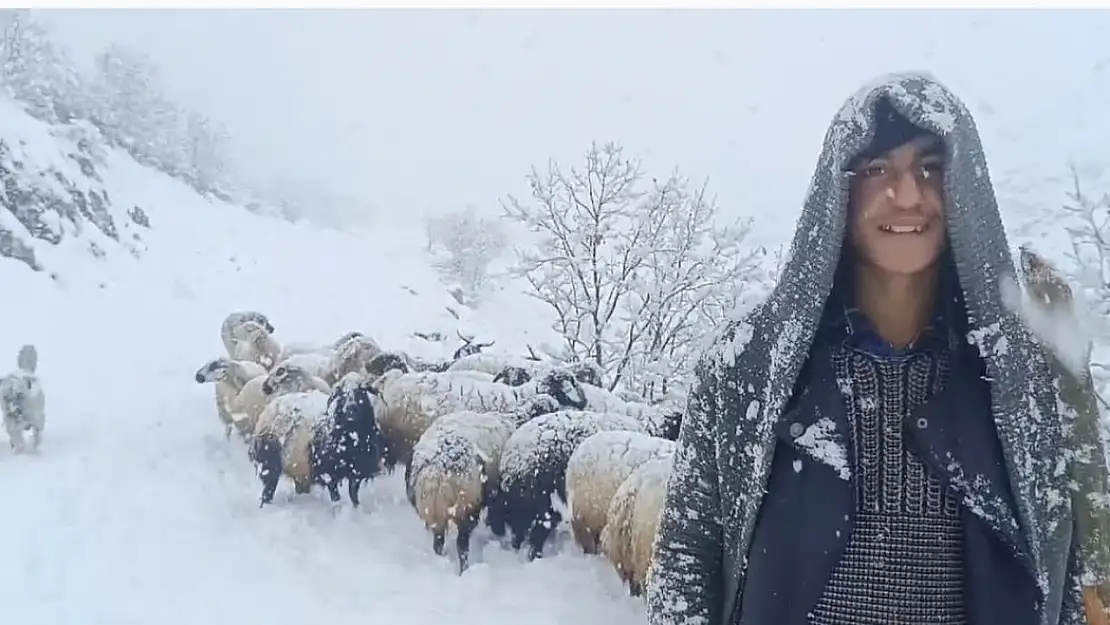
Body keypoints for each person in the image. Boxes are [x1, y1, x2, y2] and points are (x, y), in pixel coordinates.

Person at [644, 72, 1110, 625]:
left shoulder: (1026, 380)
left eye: (930, 168)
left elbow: (1066, 579)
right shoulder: (749, 365)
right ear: (838, 189)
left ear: (965, 187)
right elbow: (687, 560)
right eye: (878, 169)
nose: (907, 194)